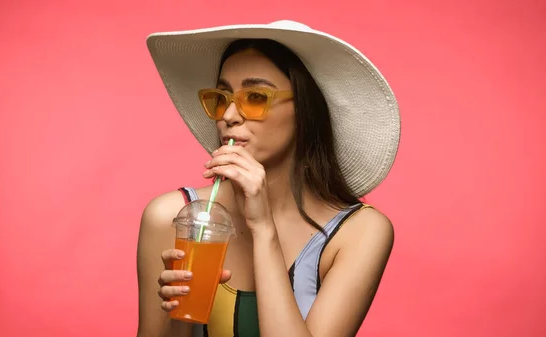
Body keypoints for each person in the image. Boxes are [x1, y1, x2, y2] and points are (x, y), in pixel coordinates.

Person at [137, 20, 401, 337]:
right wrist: (178, 319)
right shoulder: (173, 217)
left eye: (256, 97)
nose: (229, 116)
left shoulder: (358, 232)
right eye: (221, 97)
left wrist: (263, 230)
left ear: (305, 108)